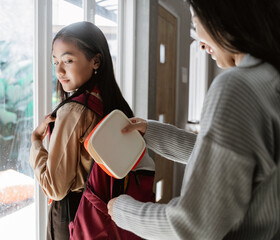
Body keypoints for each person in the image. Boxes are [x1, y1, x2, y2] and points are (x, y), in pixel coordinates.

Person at [107, 0, 280, 239]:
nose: (199, 43)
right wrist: (151, 131)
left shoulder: (238, 87)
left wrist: (123, 210)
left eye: (196, 23)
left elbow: (196, 225)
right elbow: (223, 162)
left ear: (224, 18)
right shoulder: (270, 79)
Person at [29, 21, 154, 240]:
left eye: (68, 60)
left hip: (74, 216)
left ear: (96, 61)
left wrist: (36, 143)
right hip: (106, 214)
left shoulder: (73, 111)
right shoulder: (112, 105)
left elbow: (55, 187)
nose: (59, 70)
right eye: (55, 61)